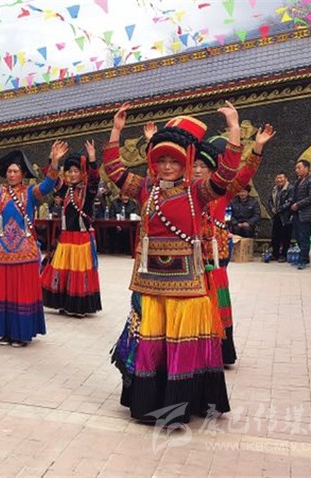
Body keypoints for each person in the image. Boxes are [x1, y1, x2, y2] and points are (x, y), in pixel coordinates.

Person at [108, 103, 240, 426]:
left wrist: (234, 128)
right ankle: (149, 403)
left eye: (174, 161)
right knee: (153, 346)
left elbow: (226, 174)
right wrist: (116, 130)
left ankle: (180, 406)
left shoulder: (197, 191)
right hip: (151, 283)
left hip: (187, 284)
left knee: (182, 346)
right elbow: (114, 171)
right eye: (162, 161)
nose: (167, 167)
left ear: (186, 163)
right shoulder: (145, 189)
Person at [190, 121, 275, 367]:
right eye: (194, 165)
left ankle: (220, 352)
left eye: (203, 166)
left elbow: (245, 174)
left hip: (216, 260)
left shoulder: (223, 191)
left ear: (213, 170)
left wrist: (257, 148)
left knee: (218, 302)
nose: (198, 170)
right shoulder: (185, 192)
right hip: (191, 259)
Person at [0, 142, 65, 347]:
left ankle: (20, 333)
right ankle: (4, 331)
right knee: (2, 293)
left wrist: (55, 162)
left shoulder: (31, 192)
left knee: (21, 293)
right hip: (1, 251)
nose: (11, 175)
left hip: (24, 251)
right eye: (9, 171)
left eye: (15, 171)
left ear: (23, 174)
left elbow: (48, 185)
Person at [41, 141, 102, 317]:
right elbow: (51, 178)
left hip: (81, 239)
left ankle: (79, 306)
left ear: (82, 173)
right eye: (70, 171)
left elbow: (95, 179)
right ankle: (63, 302)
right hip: (65, 238)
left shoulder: (88, 190)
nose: (73, 174)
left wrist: (92, 159)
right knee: (63, 271)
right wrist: (53, 159)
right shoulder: (65, 190)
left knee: (78, 273)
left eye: (76, 171)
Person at [291, 159, 311, 269]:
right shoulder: (298, 181)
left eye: (299, 168)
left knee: (304, 237)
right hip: (297, 213)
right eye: (296, 168)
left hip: (306, 214)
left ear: (306, 168)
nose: (296, 170)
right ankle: (304, 258)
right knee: (298, 237)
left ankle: (302, 261)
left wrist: (298, 204)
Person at [267, 172, 295, 262]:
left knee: (285, 236)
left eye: (281, 178)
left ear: (286, 178)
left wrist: (279, 209)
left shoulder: (291, 188)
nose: (279, 180)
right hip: (276, 215)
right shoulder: (274, 189)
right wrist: (272, 208)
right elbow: (270, 200)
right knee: (275, 236)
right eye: (277, 178)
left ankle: (284, 255)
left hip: (286, 216)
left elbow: (290, 201)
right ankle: (275, 254)